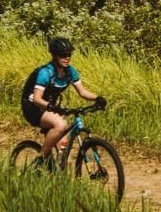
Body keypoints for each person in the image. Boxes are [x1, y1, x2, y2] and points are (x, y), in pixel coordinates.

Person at [21, 37, 106, 166]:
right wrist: (52, 107)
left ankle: (57, 174)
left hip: (50, 107)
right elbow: (37, 99)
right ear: (55, 56)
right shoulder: (46, 73)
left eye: (69, 54)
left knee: (63, 149)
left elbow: (82, 92)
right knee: (61, 125)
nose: (67, 57)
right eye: (63, 55)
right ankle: (41, 158)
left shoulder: (69, 71)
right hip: (33, 107)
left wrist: (97, 98)